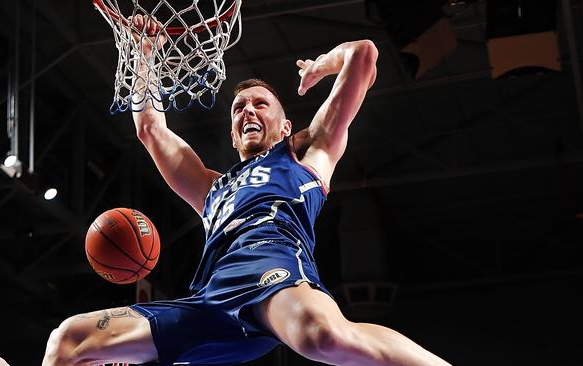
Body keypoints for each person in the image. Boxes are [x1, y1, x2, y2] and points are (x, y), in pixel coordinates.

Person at [42, 16, 451, 366]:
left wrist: (321, 67)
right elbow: (151, 129)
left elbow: (363, 54)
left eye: (260, 103)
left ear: (286, 125)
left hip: (274, 284)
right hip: (209, 303)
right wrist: (145, 54)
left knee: (322, 337)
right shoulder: (211, 188)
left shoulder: (307, 154)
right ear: (234, 134)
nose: (247, 110)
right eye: (239, 107)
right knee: (67, 339)